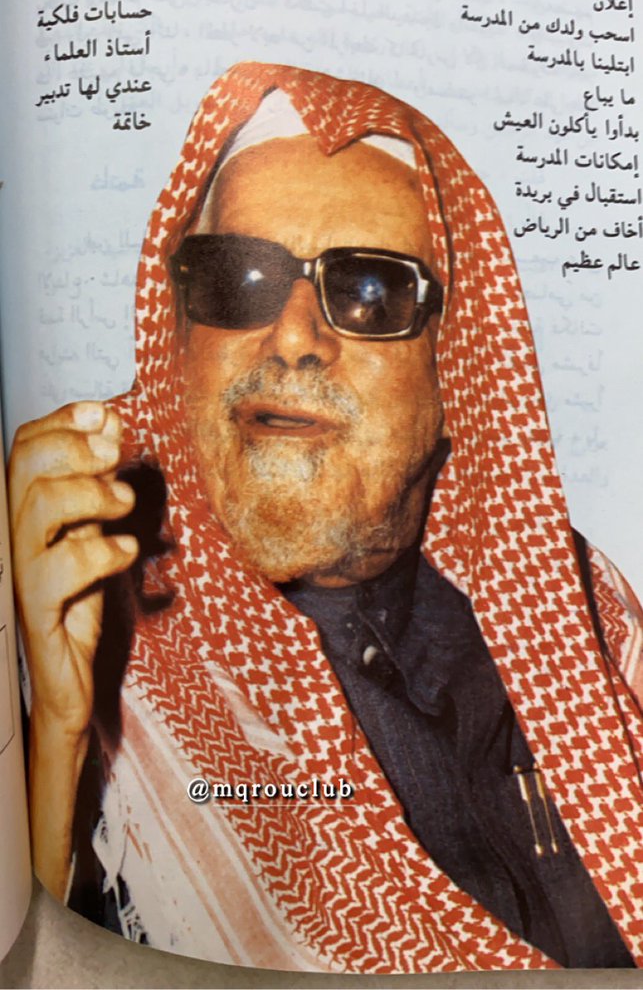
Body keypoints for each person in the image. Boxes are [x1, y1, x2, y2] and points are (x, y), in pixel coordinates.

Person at [8, 63, 643, 974]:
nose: (294, 336)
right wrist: (55, 739)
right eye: (239, 280)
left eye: (370, 291)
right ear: (182, 342)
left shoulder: (580, 616)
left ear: (453, 365)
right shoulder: (74, 620)